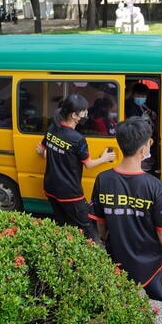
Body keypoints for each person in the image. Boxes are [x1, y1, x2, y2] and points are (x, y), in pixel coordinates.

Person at [89, 116, 162, 302]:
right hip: (150, 264)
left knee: (118, 300)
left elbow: (101, 222)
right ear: (143, 149)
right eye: (150, 142)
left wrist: (106, 239)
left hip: (116, 258)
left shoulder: (103, 179)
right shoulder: (155, 186)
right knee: (160, 301)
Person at [36, 94, 115, 239]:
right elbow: (88, 164)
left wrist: (51, 155)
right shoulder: (78, 139)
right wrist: (104, 158)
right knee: (86, 226)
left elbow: (40, 150)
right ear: (74, 115)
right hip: (70, 193)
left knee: (62, 223)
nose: (86, 113)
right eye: (84, 111)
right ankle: (90, 256)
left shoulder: (53, 128)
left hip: (50, 188)